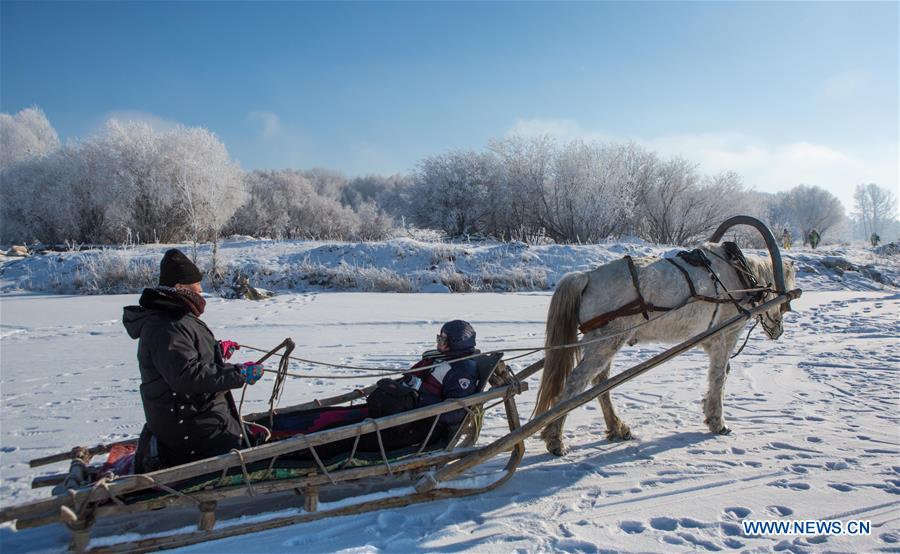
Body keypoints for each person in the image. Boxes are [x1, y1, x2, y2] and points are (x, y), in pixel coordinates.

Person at [123, 249, 265, 471]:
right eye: (197, 287)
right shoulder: (167, 326)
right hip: (192, 430)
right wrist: (238, 374)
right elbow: (187, 377)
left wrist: (215, 351)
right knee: (255, 454)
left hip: (195, 418)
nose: (201, 292)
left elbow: (182, 358)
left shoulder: (172, 319)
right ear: (179, 288)